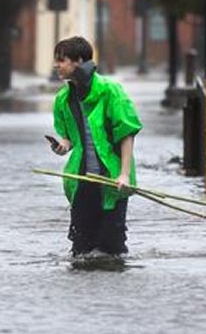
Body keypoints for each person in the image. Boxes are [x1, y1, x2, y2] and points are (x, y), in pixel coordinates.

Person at [48, 36, 142, 257]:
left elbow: (126, 134)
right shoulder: (63, 99)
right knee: (81, 249)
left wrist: (124, 175)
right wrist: (62, 146)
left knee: (111, 247)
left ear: (79, 61)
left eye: (61, 60)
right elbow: (70, 139)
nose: (56, 65)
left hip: (112, 179)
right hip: (82, 180)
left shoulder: (110, 91)